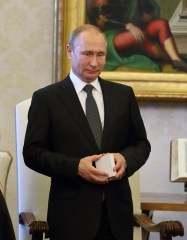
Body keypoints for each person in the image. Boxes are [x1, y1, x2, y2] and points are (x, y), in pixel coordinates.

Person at [23, 24, 151, 240]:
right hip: (70, 218)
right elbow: (33, 153)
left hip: (117, 217)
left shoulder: (123, 95)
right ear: (69, 51)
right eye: (87, 53)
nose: (95, 62)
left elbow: (141, 143)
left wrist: (125, 158)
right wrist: (76, 167)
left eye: (100, 54)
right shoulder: (47, 99)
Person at [86, 0, 187, 73]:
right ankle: (174, 59)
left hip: (135, 28)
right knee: (139, 36)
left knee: (161, 24)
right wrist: (128, 25)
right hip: (111, 36)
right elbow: (102, 20)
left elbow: (148, 15)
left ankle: (176, 59)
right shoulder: (100, 2)